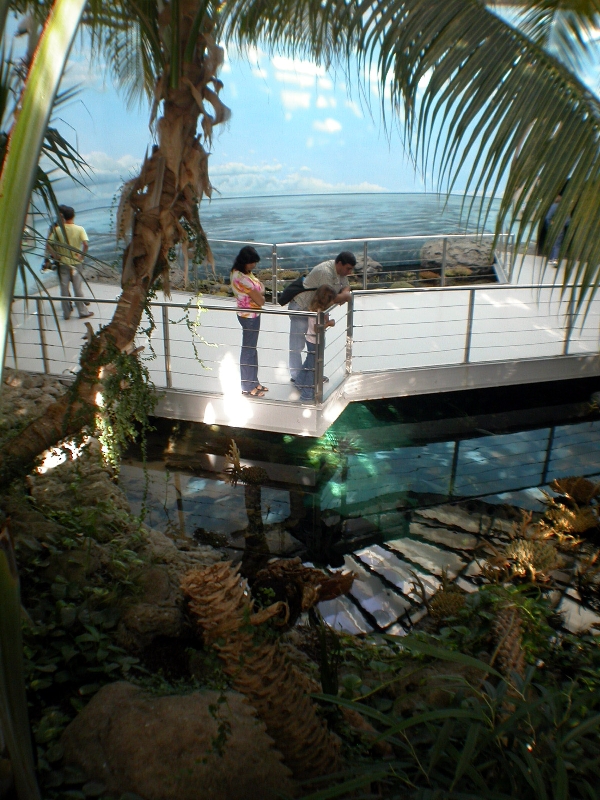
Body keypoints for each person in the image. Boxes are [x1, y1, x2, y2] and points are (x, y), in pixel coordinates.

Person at [289, 250, 355, 382]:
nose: (349, 273)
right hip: (302, 308)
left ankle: (313, 375)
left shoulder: (340, 272)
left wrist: (342, 295)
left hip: (316, 311)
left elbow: (346, 286)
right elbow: (330, 298)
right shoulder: (326, 272)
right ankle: (297, 377)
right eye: (348, 269)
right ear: (340, 264)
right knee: (298, 346)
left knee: (315, 348)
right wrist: (344, 297)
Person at [230, 246, 268, 398]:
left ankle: (254, 381)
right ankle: (247, 386)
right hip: (249, 317)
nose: (254, 266)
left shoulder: (240, 272)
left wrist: (259, 293)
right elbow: (261, 300)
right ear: (245, 262)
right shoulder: (242, 279)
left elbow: (260, 289)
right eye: (252, 263)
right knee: (248, 351)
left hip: (249, 314)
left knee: (252, 349)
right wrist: (260, 294)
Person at [47, 205, 94, 320]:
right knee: (77, 288)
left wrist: (56, 255)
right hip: (76, 263)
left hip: (63, 263)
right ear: (73, 216)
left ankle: (66, 313)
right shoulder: (79, 229)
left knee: (64, 289)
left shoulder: (57, 230)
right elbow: (86, 245)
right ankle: (82, 312)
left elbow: (48, 244)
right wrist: (81, 256)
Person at [296, 285, 337, 402]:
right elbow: (317, 328)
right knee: (313, 368)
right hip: (315, 341)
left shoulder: (316, 309)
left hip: (311, 340)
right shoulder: (318, 313)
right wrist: (328, 324)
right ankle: (307, 393)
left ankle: (299, 382)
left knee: (309, 363)